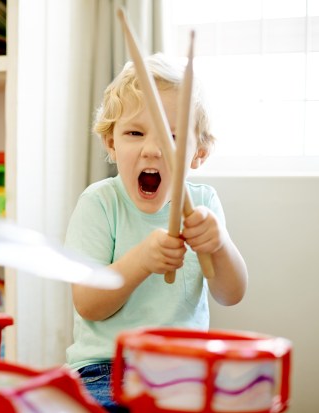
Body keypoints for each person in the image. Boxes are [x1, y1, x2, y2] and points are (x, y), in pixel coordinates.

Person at [65, 53, 248, 412]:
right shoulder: (100, 203)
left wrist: (220, 244)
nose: (152, 149)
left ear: (200, 153)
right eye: (135, 132)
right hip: (108, 369)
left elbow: (231, 294)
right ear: (112, 143)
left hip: (187, 369)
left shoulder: (204, 203)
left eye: (173, 137)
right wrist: (141, 261)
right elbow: (88, 303)